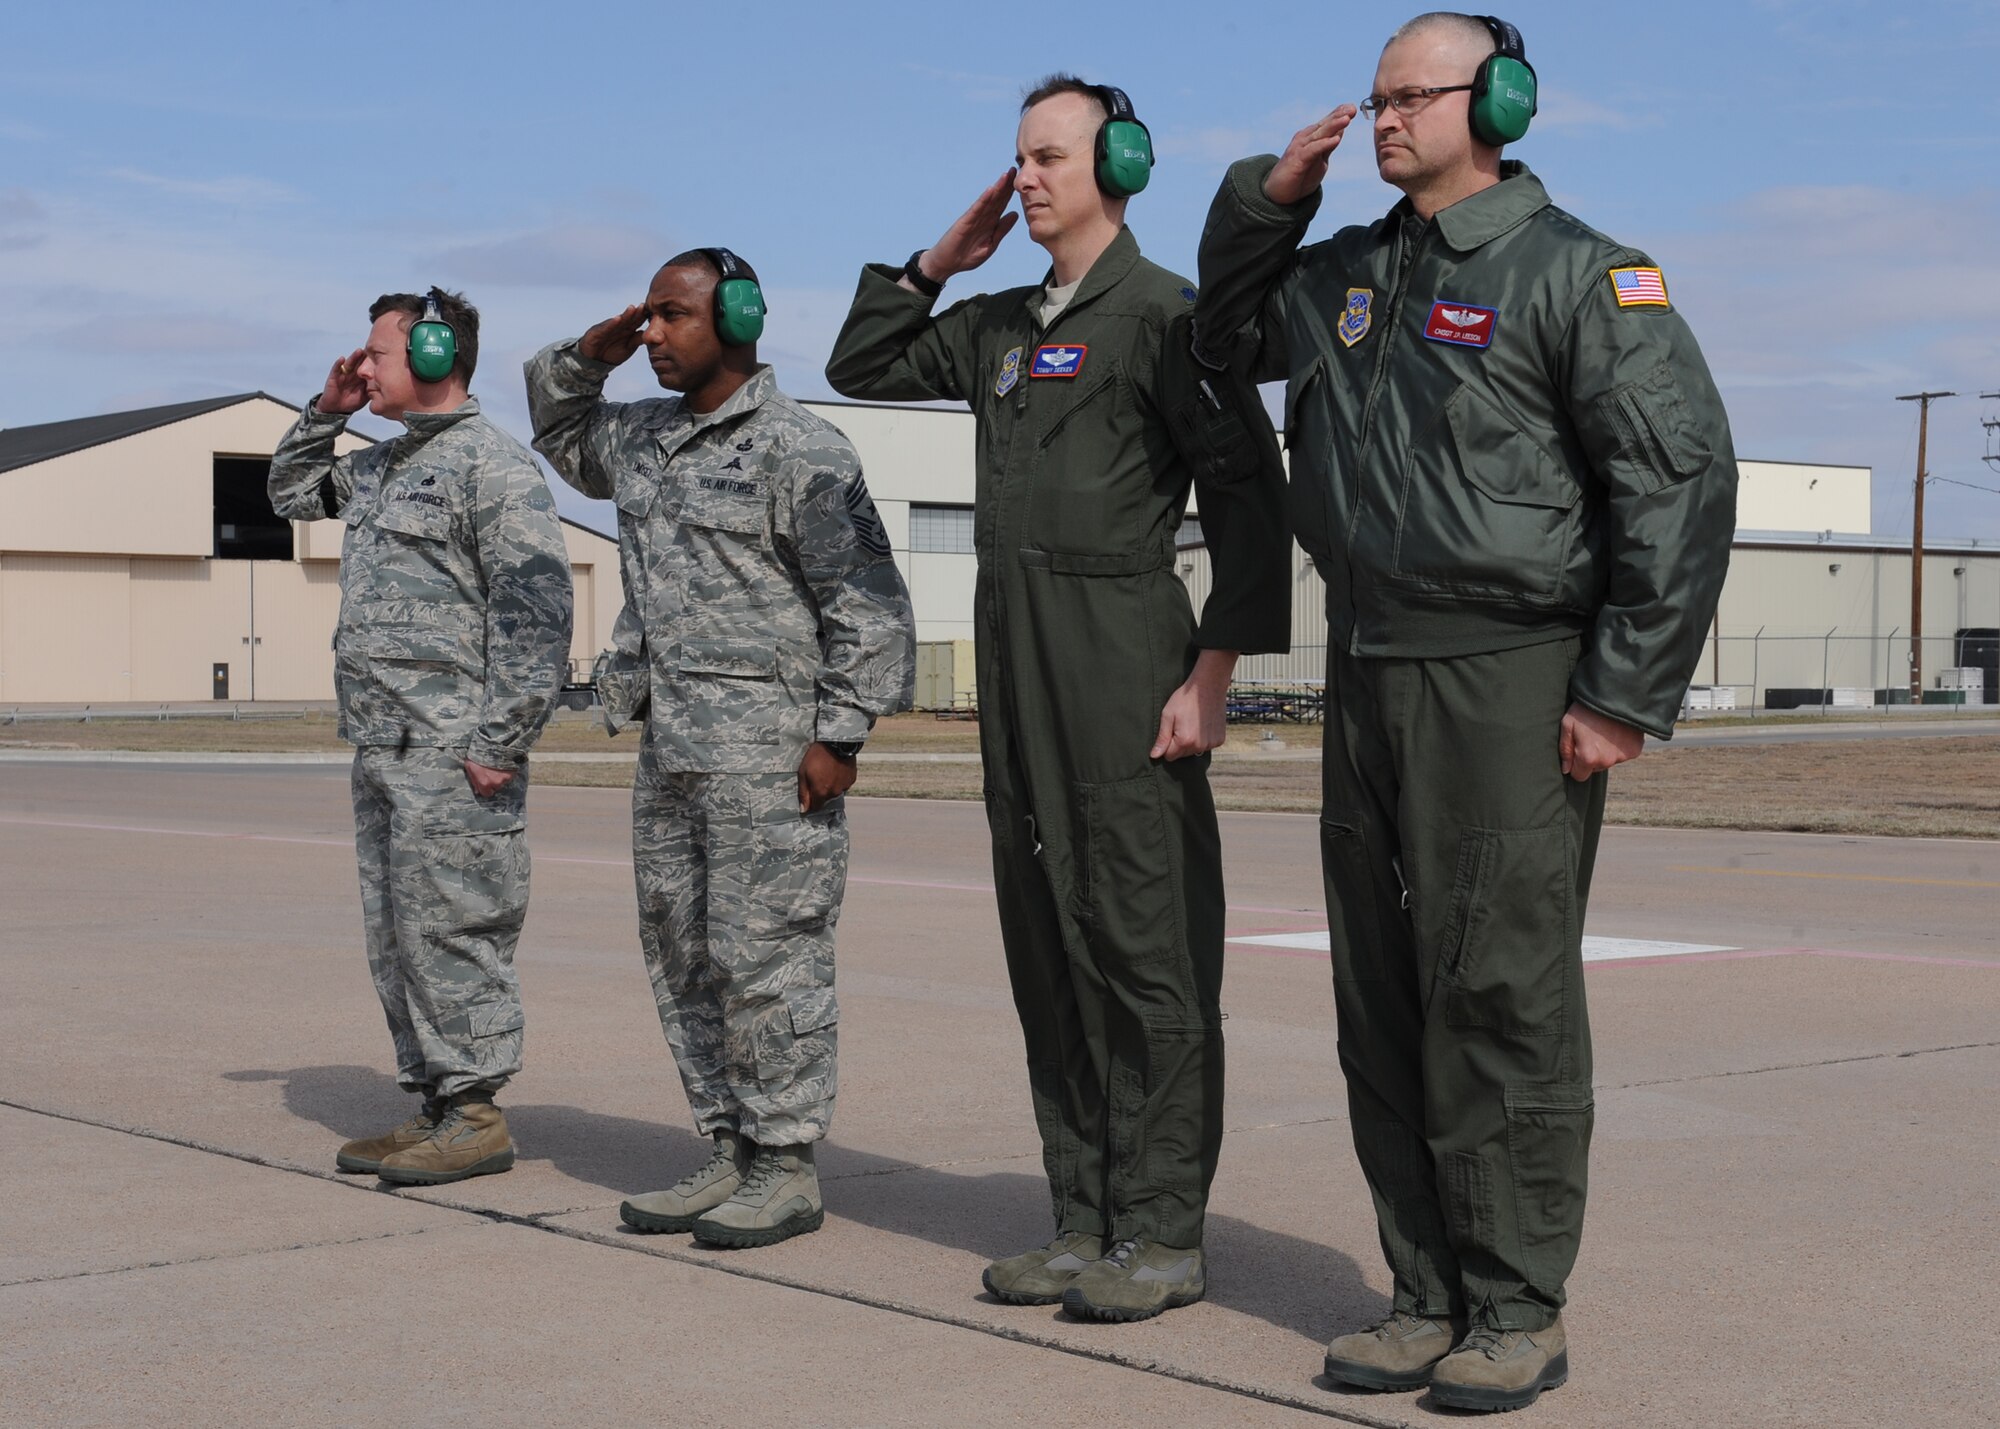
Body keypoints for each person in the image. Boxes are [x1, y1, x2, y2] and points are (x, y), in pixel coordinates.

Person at [1196, 12, 1738, 1410]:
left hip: (1507, 672)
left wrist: (1622, 691)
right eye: (1371, 97)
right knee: (1381, 992)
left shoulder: (1580, 276)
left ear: (1497, 100)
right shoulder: (1345, 277)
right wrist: (1269, 196)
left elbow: (1677, 483)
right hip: (1368, 668)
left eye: (1410, 96)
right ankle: (1424, 1289)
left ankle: (1515, 1302)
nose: (1381, 118)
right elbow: (1223, 329)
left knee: (1498, 989)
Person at [825, 76, 1290, 1321]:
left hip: (1124, 655)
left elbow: (1250, 499)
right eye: (1014, 159)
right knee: (1046, 943)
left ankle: (1160, 1231)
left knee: (1145, 952)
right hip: (1015, 665)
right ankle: (1081, 1217)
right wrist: (936, 258)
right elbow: (860, 357)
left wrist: (1210, 680)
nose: (1023, 178)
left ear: (1118, 163)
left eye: (1046, 157)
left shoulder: (1165, 318)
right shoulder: (995, 325)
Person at [525, 249, 915, 1249]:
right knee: (684, 954)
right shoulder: (644, 438)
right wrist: (590, 353)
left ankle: (784, 1161)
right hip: (671, 749)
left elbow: (864, 602)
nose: (653, 333)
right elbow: (558, 431)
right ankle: (727, 1145)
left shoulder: (801, 447)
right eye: (646, 317)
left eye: (672, 316)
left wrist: (840, 735)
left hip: (770, 755)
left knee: (769, 959)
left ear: (736, 318)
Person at [269, 287, 574, 1186]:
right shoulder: (378, 466)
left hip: (454, 755)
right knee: (399, 935)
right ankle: (441, 1102)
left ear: (438, 356)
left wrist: (498, 742)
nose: (363, 366)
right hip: (384, 745)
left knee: (457, 932)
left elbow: (538, 615)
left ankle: (476, 1113)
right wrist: (327, 411)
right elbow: (290, 492)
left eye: (378, 354)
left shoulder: (496, 467)